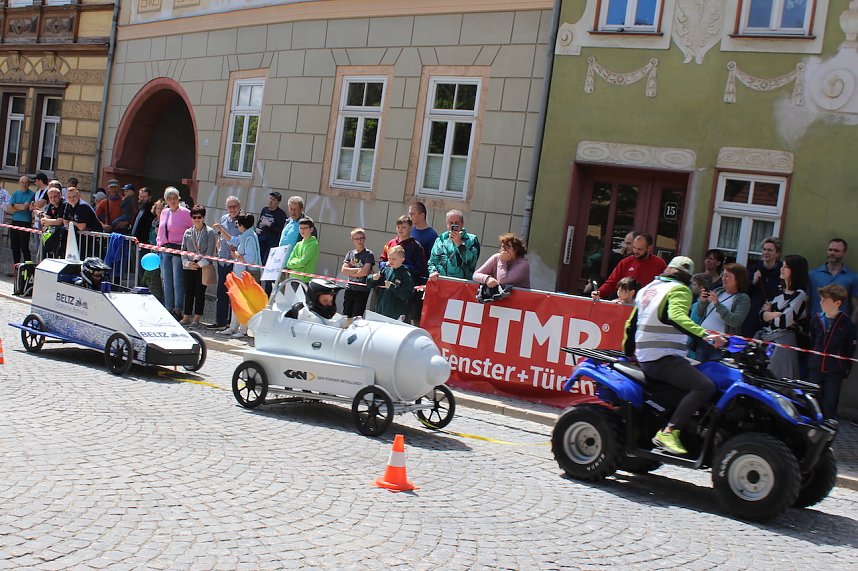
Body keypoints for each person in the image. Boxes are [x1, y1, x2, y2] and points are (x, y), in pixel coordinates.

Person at [624, 256, 725, 455]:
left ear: (668, 269)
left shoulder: (648, 289)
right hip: (664, 357)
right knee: (704, 386)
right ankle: (669, 431)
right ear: (688, 278)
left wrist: (628, 355)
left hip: (647, 357)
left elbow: (630, 325)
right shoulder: (679, 290)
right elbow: (676, 317)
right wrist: (707, 336)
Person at [809, 285, 857, 419]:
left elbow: (849, 349)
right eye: (820, 299)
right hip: (815, 367)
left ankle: (828, 427)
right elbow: (812, 341)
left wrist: (846, 370)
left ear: (837, 303)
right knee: (813, 399)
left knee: (830, 401)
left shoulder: (847, 324)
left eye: (825, 300)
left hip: (834, 370)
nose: (821, 303)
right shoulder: (816, 319)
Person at [759, 254, 810, 380]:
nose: (782, 269)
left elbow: (783, 321)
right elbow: (761, 315)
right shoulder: (779, 290)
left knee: (776, 380)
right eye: (782, 266)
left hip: (783, 344)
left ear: (795, 271)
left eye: (786, 267)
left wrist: (770, 314)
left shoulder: (800, 295)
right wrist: (774, 314)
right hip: (768, 339)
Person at [692, 263, 751, 361]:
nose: (723, 278)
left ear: (738, 279)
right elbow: (700, 313)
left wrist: (717, 304)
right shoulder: (718, 291)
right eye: (723, 275)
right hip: (704, 340)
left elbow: (735, 321)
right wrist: (702, 302)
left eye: (727, 276)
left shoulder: (742, 298)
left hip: (720, 345)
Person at [593, 232, 666, 300]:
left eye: (640, 249)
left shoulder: (659, 263)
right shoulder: (625, 262)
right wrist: (600, 292)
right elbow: (612, 282)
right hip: (627, 304)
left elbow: (666, 286)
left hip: (648, 305)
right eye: (634, 248)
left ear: (649, 248)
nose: (636, 251)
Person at [156, 187, 193, 320]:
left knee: (178, 280)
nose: (172, 201)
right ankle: (168, 307)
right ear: (166, 200)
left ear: (178, 199)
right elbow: (161, 230)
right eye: (169, 199)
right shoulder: (165, 212)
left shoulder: (186, 213)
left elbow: (193, 230)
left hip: (179, 250)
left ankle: (178, 309)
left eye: (174, 198)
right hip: (165, 249)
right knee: (166, 280)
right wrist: (158, 244)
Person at [180, 206, 217, 329]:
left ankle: (197, 318)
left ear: (203, 217)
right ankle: (186, 316)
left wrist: (199, 264)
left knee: (199, 292)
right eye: (194, 217)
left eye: (199, 217)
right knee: (188, 292)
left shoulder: (210, 232)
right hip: (189, 267)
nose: (196, 219)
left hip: (203, 267)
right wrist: (187, 263)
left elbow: (210, 250)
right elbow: (183, 250)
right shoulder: (187, 232)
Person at [209, 195, 242, 330]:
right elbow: (221, 237)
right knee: (221, 291)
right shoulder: (224, 218)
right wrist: (218, 248)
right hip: (222, 259)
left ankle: (231, 322)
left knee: (233, 293)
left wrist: (221, 230)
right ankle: (220, 321)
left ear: (239, 207)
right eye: (229, 207)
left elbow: (237, 240)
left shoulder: (242, 220)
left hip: (234, 261)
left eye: (234, 206)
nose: (232, 209)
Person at [809, 238, 858, 324]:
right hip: (817, 324)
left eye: (836, 251)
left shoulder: (853, 277)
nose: (832, 253)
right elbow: (807, 302)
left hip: (841, 326)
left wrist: (851, 328)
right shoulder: (813, 275)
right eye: (830, 250)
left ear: (844, 253)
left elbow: (856, 306)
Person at [742, 237, 783, 337]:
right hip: (752, 314)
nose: (766, 252)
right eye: (764, 249)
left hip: (771, 314)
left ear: (777, 253)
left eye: (770, 250)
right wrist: (754, 281)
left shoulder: (782, 270)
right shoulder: (754, 268)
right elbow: (743, 292)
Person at [473, 233, 531, 299]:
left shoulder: (523, 264)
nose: (504, 250)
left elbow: (502, 281)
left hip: (518, 301)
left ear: (516, 250)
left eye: (508, 247)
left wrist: (502, 260)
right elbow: (475, 275)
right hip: (498, 300)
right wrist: (487, 279)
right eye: (503, 246)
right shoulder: (496, 258)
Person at [428, 209, 481, 281]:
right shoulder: (440, 240)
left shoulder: (471, 240)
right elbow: (432, 261)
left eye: (456, 223)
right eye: (451, 223)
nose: (453, 225)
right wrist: (433, 272)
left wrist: (459, 244)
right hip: (441, 282)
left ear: (462, 224)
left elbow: (471, 262)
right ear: (447, 225)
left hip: (461, 285)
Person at [407, 201, 438, 325]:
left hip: (420, 283)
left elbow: (433, 260)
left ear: (422, 215)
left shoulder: (432, 235)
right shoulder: (410, 231)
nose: (410, 216)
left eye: (412, 214)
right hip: (407, 281)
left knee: (416, 317)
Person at [367, 245, 414, 320]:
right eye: (389, 258)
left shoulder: (405, 274)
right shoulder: (386, 270)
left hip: (395, 314)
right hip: (381, 310)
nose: (391, 261)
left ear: (402, 260)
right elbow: (369, 284)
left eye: (394, 259)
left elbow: (407, 295)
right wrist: (373, 278)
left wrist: (393, 287)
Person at [341, 227, 375, 318]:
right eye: (357, 239)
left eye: (362, 238)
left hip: (362, 290)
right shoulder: (350, 254)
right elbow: (344, 270)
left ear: (365, 238)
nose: (360, 241)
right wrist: (358, 270)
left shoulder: (369, 254)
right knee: (346, 315)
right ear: (352, 240)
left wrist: (351, 271)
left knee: (357, 316)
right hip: (350, 288)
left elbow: (365, 272)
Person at [6, 175, 35, 271]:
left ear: (29, 184)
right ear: (19, 183)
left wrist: (14, 206)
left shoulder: (31, 194)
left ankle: (28, 268)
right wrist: (17, 207)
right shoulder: (15, 193)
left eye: (26, 182)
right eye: (22, 182)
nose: (24, 184)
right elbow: (9, 209)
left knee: (24, 246)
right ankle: (16, 268)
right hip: (15, 221)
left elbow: (25, 207)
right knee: (14, 246)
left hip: (25, 222)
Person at [141, 199, 165, 303]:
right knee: (149, 278)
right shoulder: (154, 222)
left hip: (159, 255)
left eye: (161, 208)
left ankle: (158, 300)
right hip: (152, 254)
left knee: (156, 279)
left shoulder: (164, 223)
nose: (159, 210)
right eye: (158, 208)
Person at [255, 191, 287, 268]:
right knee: (257, 262)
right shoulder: (264, 210)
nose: (270, 201)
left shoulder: (281, 214)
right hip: (260, 240)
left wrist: (270, 225)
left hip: (271, 244)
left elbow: (281, 231)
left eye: (273, 200)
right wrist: (257, 229)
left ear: (278, 202)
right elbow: (259, 222)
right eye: (270, 198)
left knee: (265, 264)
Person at [34, 187, 66, 257]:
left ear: (60, 195)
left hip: (62, 236)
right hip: (51, 233)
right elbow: (45, 221)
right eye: (51, 197)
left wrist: (45, 220)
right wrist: (46, 221)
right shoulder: (51, 205)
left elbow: (59, 222)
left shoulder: (64, 204)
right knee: (42, 252)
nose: (53, 199)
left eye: (55, 196)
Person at [285, 217, 319, 283]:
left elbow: (302, 262)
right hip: (293, 278)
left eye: (305, 228)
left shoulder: (314, 244)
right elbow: (288, 263)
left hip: (305, 281)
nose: (302, 230)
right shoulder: (298, 244)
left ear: (311, 230)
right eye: (301, 228)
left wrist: (295, 262)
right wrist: (298, 262)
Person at [232, 214, 262, 283]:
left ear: (242, 226)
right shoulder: (250, 234)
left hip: (251, 274)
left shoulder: (249, 238)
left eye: (238, 224)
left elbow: (250, 259)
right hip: (249, 272)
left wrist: (237, 256)